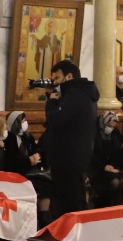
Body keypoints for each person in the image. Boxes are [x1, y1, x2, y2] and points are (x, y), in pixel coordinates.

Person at [41, 59, 98, 216]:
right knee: (72, 199)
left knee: (70, 204)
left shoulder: (75, 94)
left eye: (57, 78)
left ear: (69, 76)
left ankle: (72, 231)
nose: (55, 82)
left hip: (68, 158)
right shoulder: (83, 93)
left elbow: (55, 119)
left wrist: (51, 102)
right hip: (75, 156)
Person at [91, 111, 123, 208]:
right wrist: (104, 167)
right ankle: (106, 206)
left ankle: (118, 207)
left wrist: (113, 166)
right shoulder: (94, 135)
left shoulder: (115, 133)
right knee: (115, 182)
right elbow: (92, 157)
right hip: (98, 169)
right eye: (109, 126)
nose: (111, 128)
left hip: (112, 167)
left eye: (113, 126)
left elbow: (116, 153)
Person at [3, 110, 42, 175]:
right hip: (15, 173)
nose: (26, 122)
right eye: (23, 121)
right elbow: (11, 162)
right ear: (16, 123)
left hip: (31, 170)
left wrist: (37, 155)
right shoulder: (8, 139)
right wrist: (28, 162)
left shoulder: (27, 135)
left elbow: (35, 148)